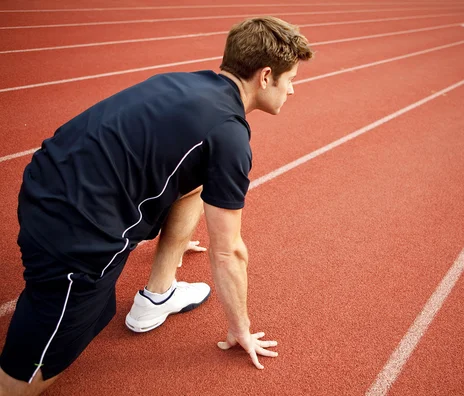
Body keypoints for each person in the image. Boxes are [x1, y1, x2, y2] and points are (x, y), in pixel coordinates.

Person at [0, 16, 313, 395]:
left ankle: (159, 294)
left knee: (192, 181)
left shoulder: (184, 82)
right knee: (30, 370)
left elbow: (180, 171)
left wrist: (177, 237)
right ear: (266, 76)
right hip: (76, 239)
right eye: (291, 78)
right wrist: (240, 328)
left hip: (46, 182)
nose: (292, 90)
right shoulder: (228, 135)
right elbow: (229, 251)